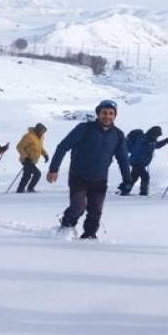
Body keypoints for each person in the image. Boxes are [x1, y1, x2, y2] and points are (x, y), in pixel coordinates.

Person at [47, 100, 130, 239]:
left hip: (100, 178)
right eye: (104, 112)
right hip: (78, 176)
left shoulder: (118, 135)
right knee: (78, 207)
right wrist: (53, 169)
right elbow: (63, 146)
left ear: (115, 116)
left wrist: (127, 179)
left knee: (96, 210)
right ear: (98, 113)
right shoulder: (84, 128)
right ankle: (66, 226)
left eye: (111, 113)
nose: (107, 116)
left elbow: (123, 159)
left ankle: (89, 235)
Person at [118, 126, 168, 196]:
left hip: (138, 163)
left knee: (133, 178)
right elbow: (138, 151)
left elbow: (157, 145)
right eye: (157, 135)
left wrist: (165, 141)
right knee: (145, 177)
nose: (157, 137)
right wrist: (140, 162)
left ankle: (125, 190)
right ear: (153, 133)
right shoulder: (144, 139)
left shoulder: (151, 140)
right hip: (137, 162)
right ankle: (143, 192)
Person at [16, 124, 50, 193]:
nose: (43, 133)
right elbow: (19, 147)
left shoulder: (40, 137)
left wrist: (45, 154)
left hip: (33, 160)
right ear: (37, 130)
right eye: (42, 131)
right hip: (26, 160)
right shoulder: (28, 136)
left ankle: (20, 190)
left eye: (44, 132)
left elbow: (40, 147)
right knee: (37, 173)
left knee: (27, 175)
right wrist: (25, 157)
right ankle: (30, 188)